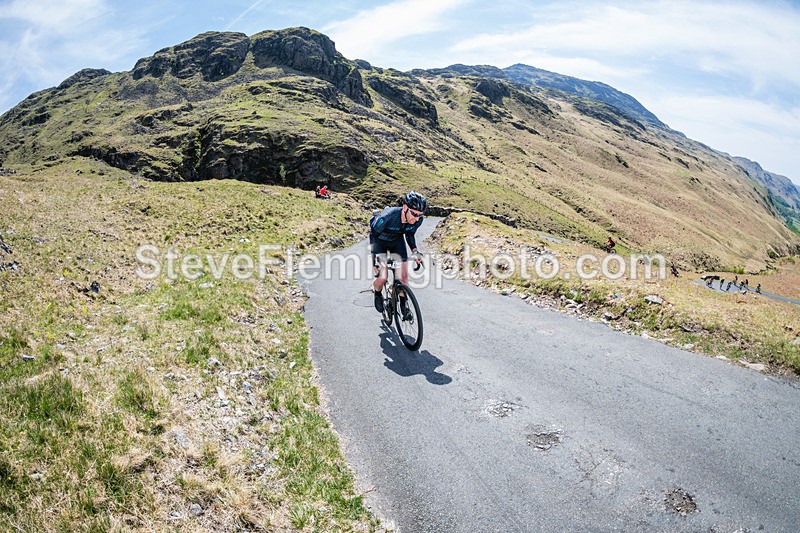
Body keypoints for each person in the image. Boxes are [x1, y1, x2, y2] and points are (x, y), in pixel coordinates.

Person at [370, 191, 427, 314]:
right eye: (414, 214)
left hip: (396, 241)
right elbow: (373, 234)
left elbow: (410, 234)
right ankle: (378, 293)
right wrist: (376, 257)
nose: (416, 218)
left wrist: (415, 251)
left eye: (420, 215)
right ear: (405, 208)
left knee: (403, 277)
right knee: (383, 277)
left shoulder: (417, 220)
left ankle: (403, 302)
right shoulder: (389, 216)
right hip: (380, 241)